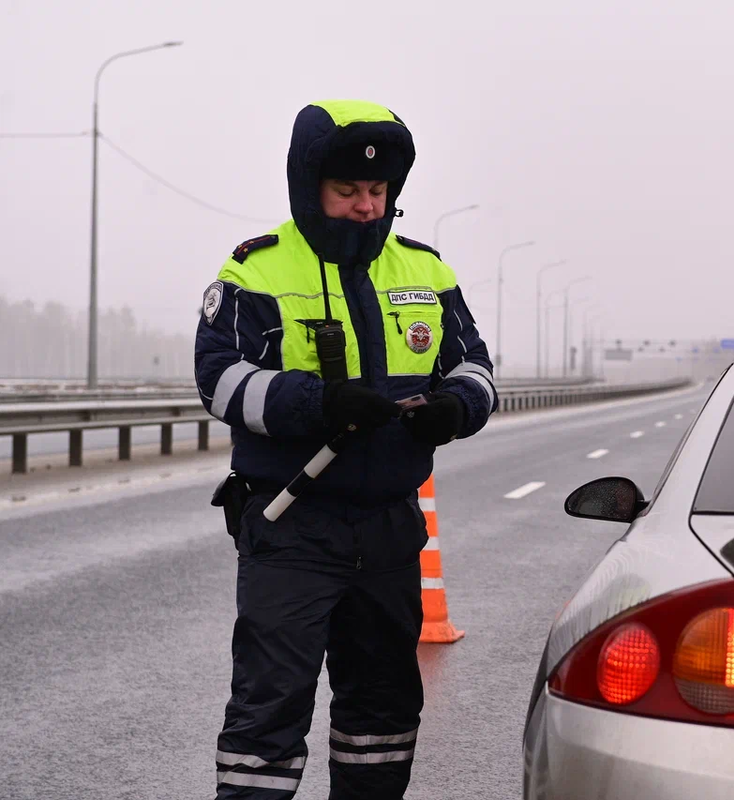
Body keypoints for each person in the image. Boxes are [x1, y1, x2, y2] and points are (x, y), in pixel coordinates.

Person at [194, 99, 496, 799]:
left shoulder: (426, 273)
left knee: (384, 713)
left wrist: (455, 408)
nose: (367, 206)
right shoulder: (255, 272)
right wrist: (318, 403)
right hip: (292, 521)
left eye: (378, 191)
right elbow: (220, 380)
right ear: (310, 187)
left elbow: (475, 368)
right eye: (348, 190)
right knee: (269, 708)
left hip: (391, 527)